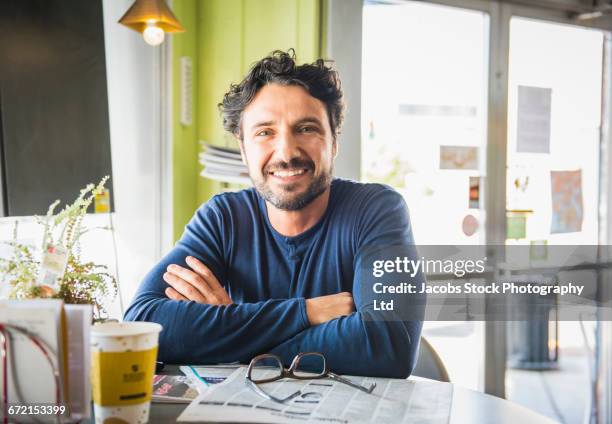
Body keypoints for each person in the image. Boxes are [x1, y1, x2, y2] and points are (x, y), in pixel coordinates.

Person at [124, 50, 424, 378]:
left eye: (306, 128)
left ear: (334, 142)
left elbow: (389, 344)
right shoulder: (222, 220)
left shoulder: (377, 210)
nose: (286, 152)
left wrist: (232, 336)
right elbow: (141, 325)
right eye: (265, 132)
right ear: (243, 149)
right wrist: (306, 312)